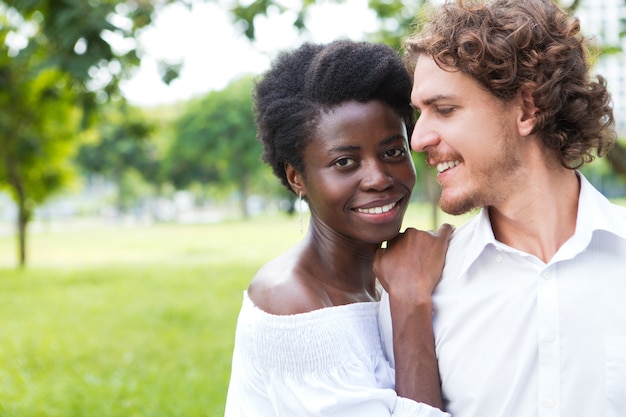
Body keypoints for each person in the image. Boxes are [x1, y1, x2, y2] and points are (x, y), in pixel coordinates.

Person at [375, 0, 626, 416]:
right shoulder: (418, 289)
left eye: (445, 109)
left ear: (527, 109)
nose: (417, 140)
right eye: (419, 114)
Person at [224, 40, 453, 417]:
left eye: (393, 152)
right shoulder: (292, 306)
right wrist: (410, 300)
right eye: (345, 161)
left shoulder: (389, 275)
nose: (378, 178)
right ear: (297, 177)